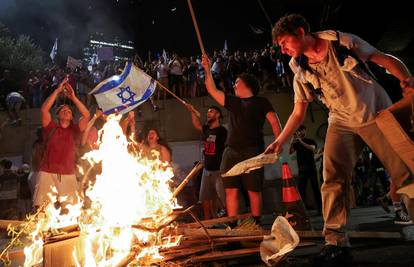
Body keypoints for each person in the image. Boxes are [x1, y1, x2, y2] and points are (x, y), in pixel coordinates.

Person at [265, 14, 414, 265]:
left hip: (375, 114)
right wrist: (279, 140)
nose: (282, 49)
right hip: (341, 121)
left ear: (301, 32)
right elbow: (299, 111)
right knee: (332, 177)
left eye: (284, 41)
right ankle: (335, 243)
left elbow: (382, 58)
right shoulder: (298, 67)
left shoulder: (342, 42)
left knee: (405, 175)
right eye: (279, 45)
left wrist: (407, 80)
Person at [201, 54, 282, 225]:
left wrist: (278, 143)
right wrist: (207, 69)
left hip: (253, 151)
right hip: (230, 151)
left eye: (237, 82)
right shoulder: (233, 102)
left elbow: (275, 122)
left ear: (247, 84)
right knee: (230, 189)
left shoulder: (261, 102)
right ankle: (232, 223)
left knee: (253, 189)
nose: (234, 85)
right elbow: (212, 90)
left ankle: (256, 223)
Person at [33, 77, 90, 209]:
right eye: (63, 110)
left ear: (71, 117)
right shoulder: (50, 128)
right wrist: (57, 91)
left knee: (72, 210)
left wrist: (73, 98)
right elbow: (44, 110)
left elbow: (87, 115)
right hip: (47, 172)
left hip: (68, 174)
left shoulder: (75, 130)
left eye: (69, 111)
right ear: (57, 115)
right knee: (42, 210)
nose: (66, 111)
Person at [186, 103, 227, 219]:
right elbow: (197, 124)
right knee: (204, 197)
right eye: (208, 112)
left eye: (211, 111)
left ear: (218, 115)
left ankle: (230, 220)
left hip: (218, 170)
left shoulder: (222, 131)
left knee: (222, 197)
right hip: (207, 169)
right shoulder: (207, 129)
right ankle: (208, 223)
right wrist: (192, 111)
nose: (208, 114)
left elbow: (226, 148)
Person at [289, 125, 322, 213]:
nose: (300, 132)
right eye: (298, 131)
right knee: (301, 190)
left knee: (316, 189)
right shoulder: (296, 143)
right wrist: (292, 142)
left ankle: (320, 209)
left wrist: (300, 141)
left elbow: (312, 148)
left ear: (305, 131)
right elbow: (290, 152)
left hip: (311, 168)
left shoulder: (311, 141)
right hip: (302, 169)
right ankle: (302, 211)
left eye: (301, 130)